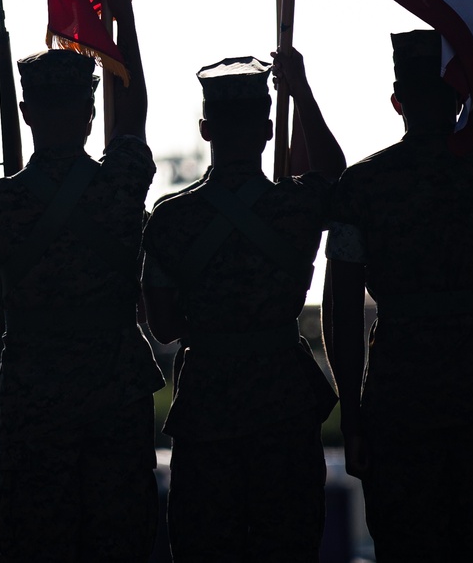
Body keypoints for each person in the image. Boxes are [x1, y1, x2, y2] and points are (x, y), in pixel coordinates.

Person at [0, 0, 163, 563]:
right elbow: (134, 112)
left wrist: (14, 324)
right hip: (114, 390)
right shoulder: (120, 187)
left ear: (25, 111)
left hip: (31, 393)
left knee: (34, 543)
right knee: (119, 539)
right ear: (91, 111)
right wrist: (125, 19)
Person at [326, 29, 473, 563]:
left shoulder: (361, 188)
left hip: (399, 404)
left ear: (398, 101)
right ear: (461, 98)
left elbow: (341, 312)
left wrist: (352, 414)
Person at [141, 47, 345, 563]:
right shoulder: (295, 206)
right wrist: (298, 88)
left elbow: (163, 327)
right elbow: (336, 177)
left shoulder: (169, 220)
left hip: (208, 405)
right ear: (268, 132)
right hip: (284, 403)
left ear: (206, 131)